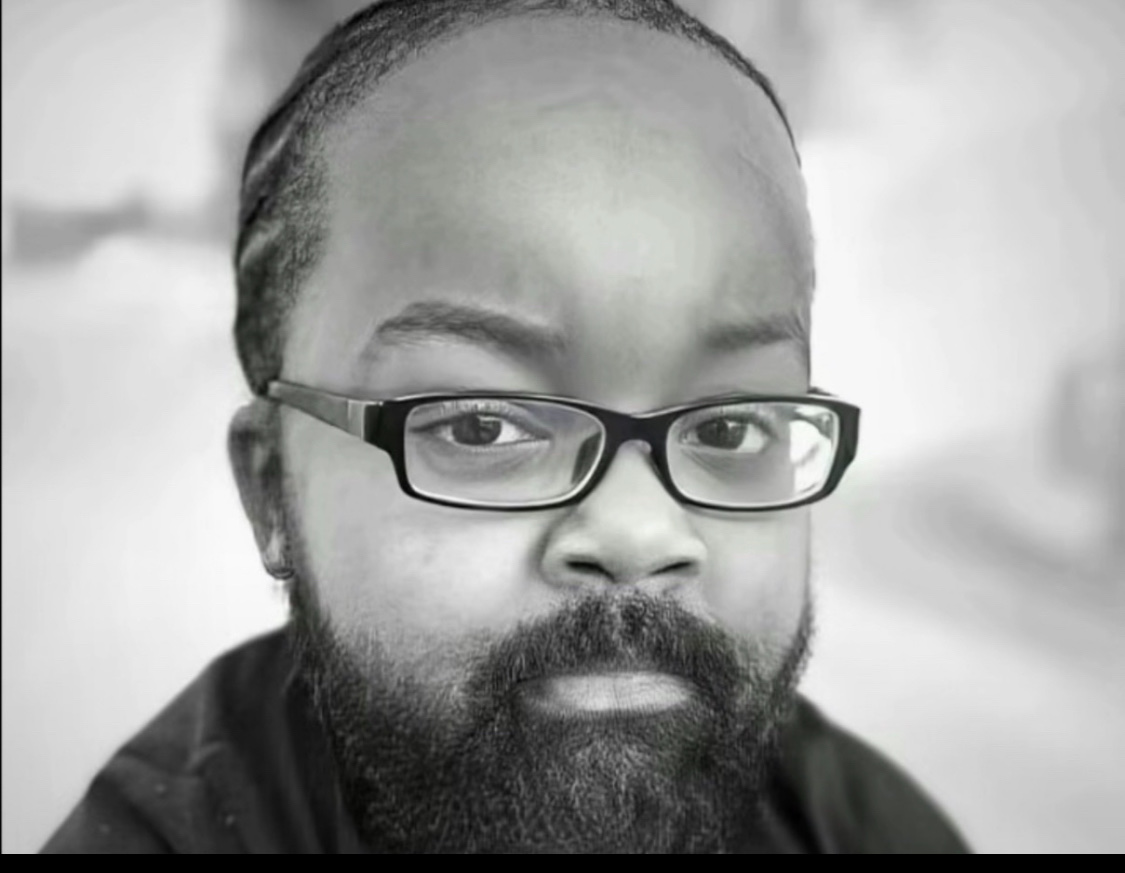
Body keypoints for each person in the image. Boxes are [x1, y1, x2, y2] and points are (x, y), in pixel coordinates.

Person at [43, 0, 969, 853]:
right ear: (273, 490)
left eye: (729, 431)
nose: (638, 535)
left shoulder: (858, 824)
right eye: (482, 427)